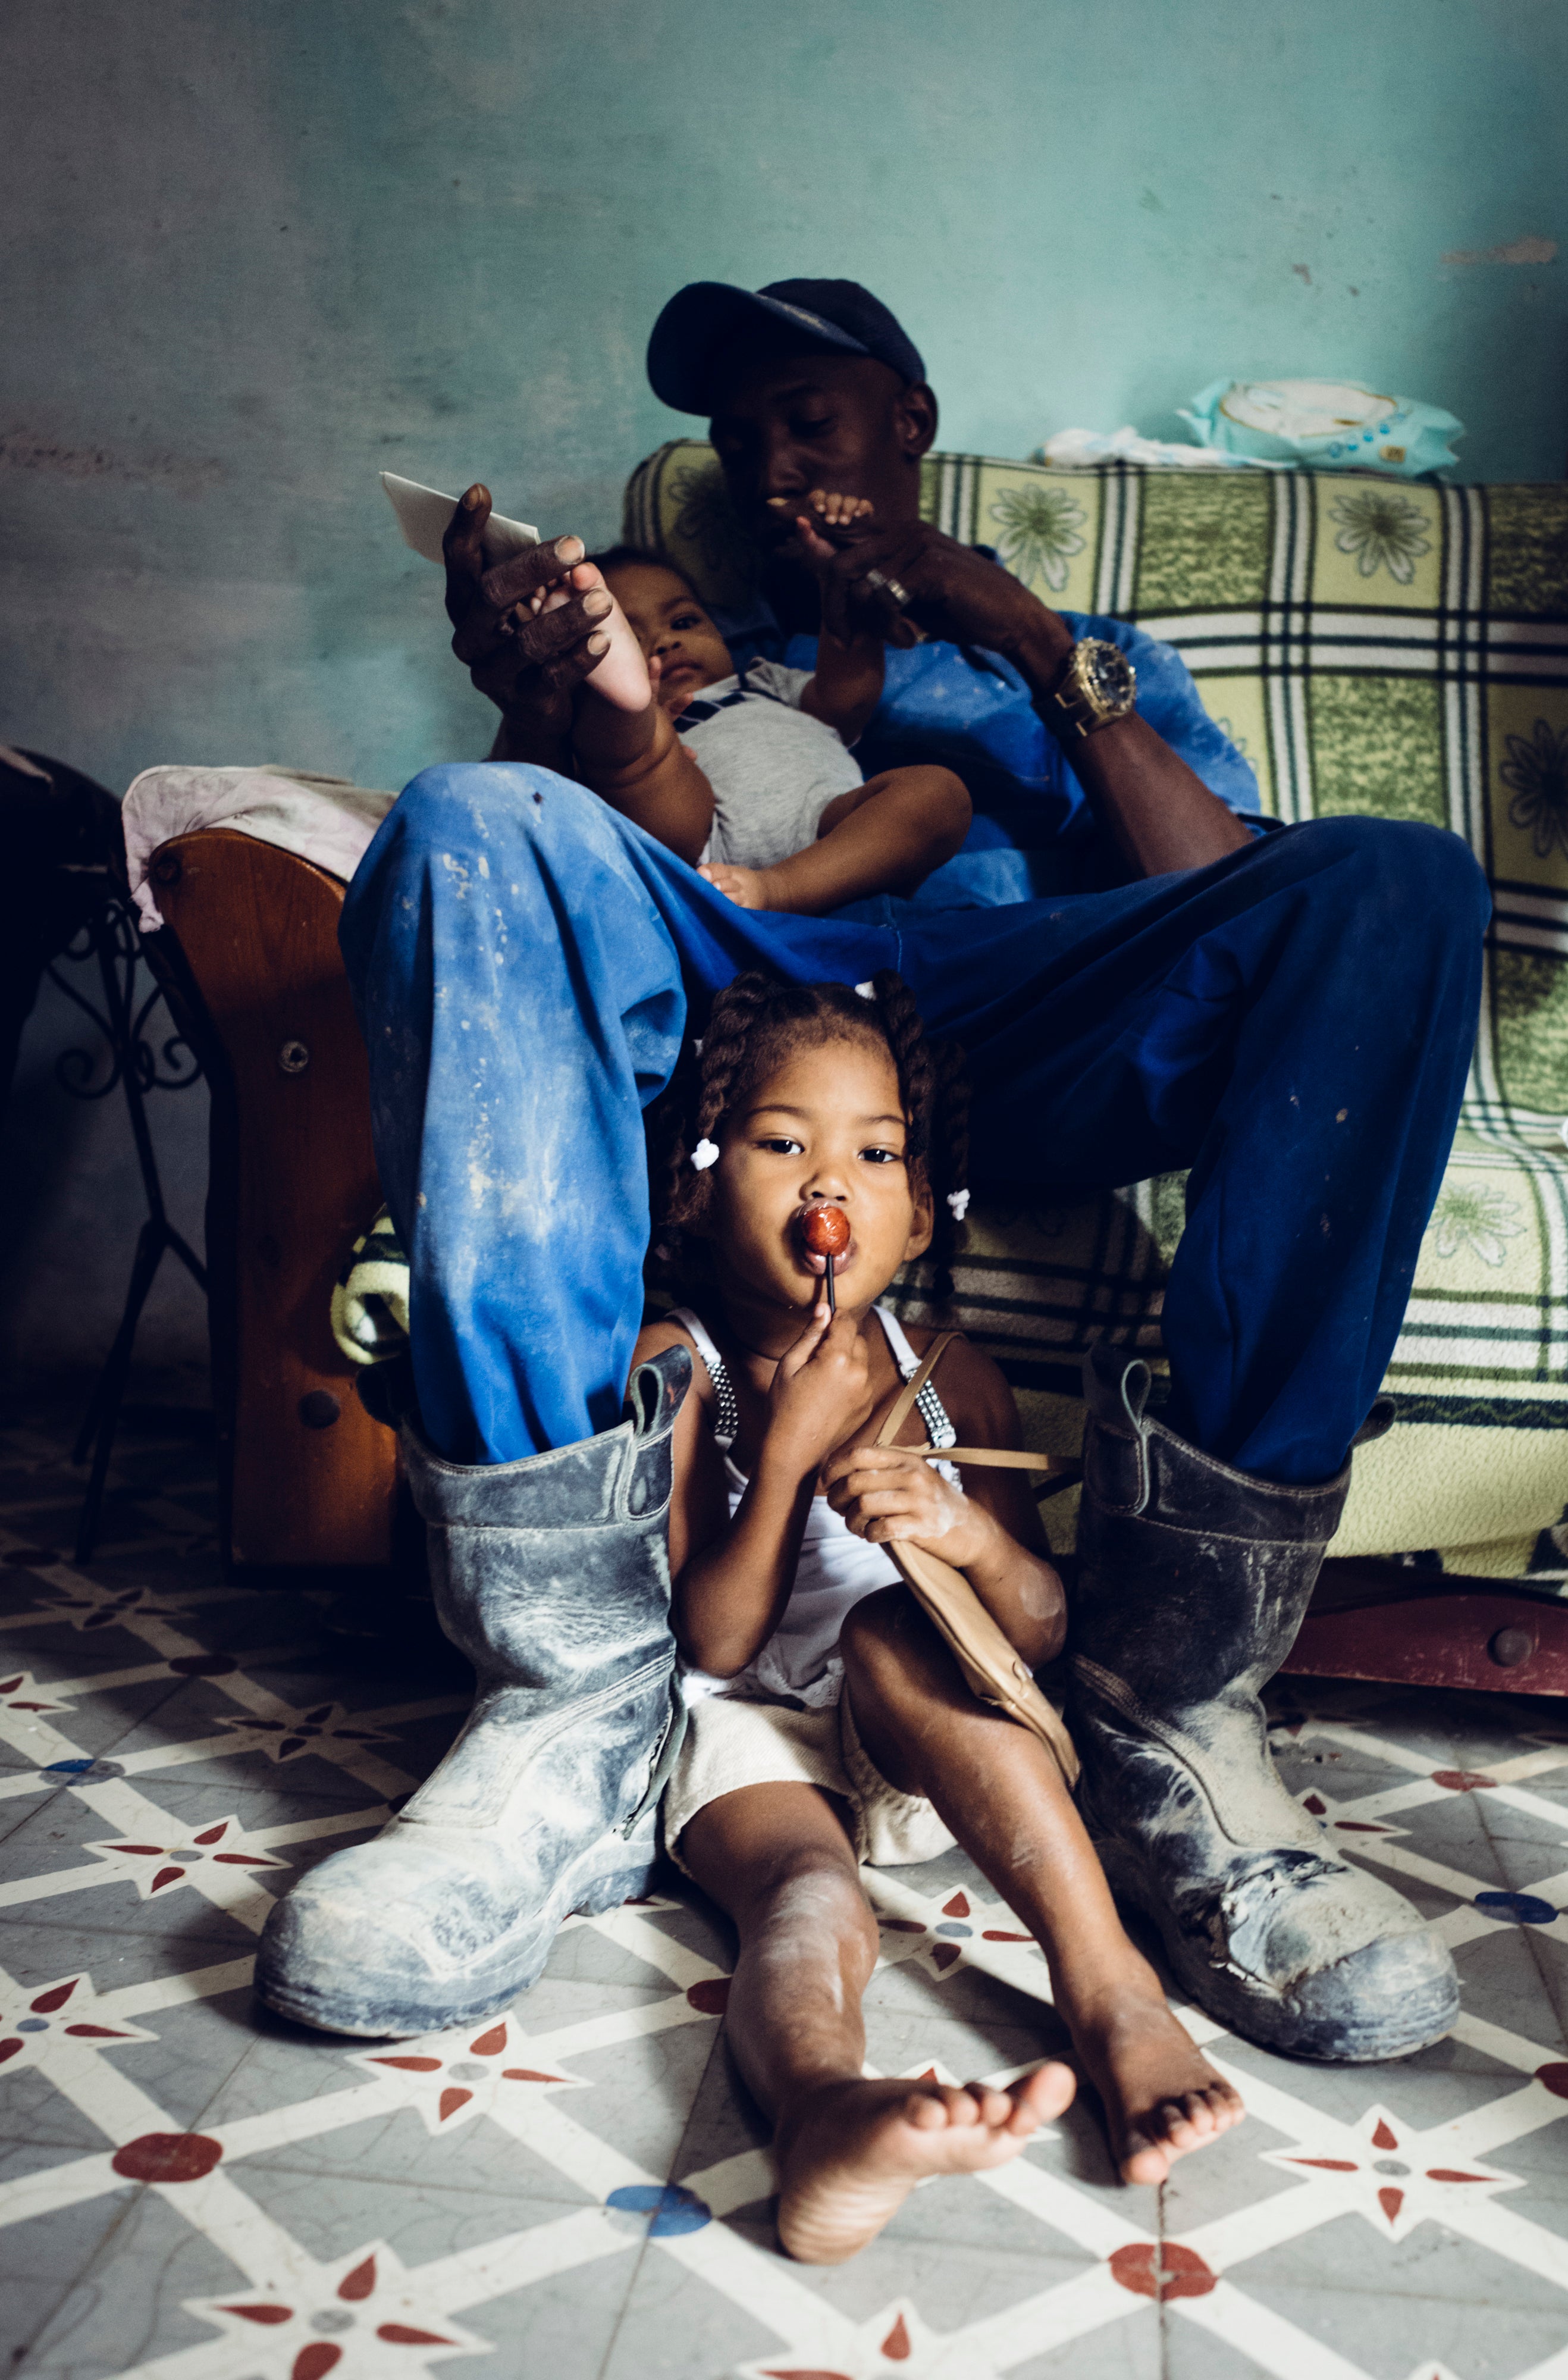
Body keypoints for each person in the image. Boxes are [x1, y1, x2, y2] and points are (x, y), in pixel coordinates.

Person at [258, 278, 1488, 2076]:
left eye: (803, 416)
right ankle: (569, 1702)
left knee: (1389, 885)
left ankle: (1175, 1701)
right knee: (468, 819)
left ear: (904, 419)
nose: (766, 461)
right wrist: (582, 705)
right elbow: (628, 867)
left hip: (1024, 1015)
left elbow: (1215, 879)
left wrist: (1021, 634)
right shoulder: (718, 655)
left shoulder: (1070, 650)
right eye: (737, 434)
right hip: (748, 1015)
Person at [638, 966, 1241, 2260]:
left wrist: (963, 1528)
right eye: (781, 1141)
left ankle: (1107, 1987)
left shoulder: (949, 1373)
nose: (827, 1184)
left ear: (917, 1212)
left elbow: (1034, 1627)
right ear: (694, 1181)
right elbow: (714, 1639)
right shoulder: (676, 1362)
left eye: (875, 1151)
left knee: (888, 1630)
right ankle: (821, 2110)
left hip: (926, 1731)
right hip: (746, 1730)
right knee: (805, 1899)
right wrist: (789, 1455)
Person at [562, 522, 970, 913]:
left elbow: (846, 702)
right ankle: (638, 727)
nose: (666, 641)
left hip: (837, 828)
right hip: (712, 855)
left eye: (684, 621)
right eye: (631, 640)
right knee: (642, 760)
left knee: (939, 792)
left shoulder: (763, 681)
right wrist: (638, 722)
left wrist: (842, 589)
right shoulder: (604, 735)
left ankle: (783, 889)